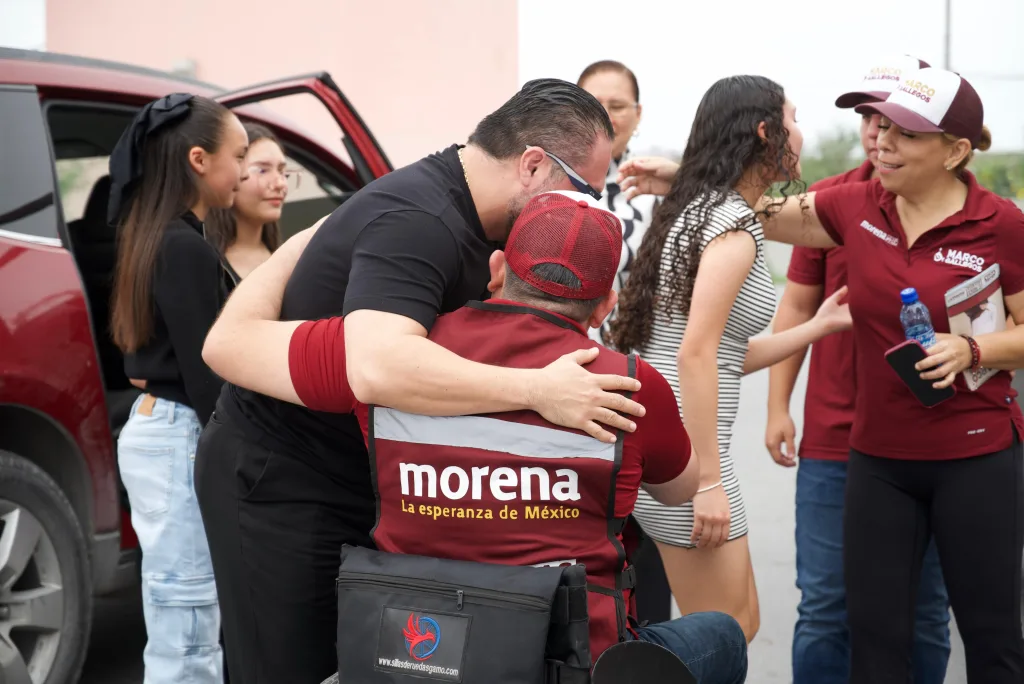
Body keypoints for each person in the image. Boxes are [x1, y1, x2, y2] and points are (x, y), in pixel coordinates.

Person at [194, 79, 649, 684]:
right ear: (534, 165)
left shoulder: (465, 217)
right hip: (281, 479)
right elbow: (378, 367)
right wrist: (537, 391)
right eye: (586, 189)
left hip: (355, 474)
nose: (588, 206)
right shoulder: (421, 220)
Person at [202, 190, 750, 684]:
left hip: (418, 653)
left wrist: (309, 237)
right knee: (723, 636)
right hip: (572, 659)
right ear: (606, 304)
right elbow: (680, 490)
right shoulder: (628, 383)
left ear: (496, 270)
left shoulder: (386, 357)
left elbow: (226, 346)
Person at [675, 66, 1021, 683]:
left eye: (905, 134)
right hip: (878, 463)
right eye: (881, 127)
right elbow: (760, 209)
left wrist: (973, 350)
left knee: (991, 640)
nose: (882, 142)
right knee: (872, 644)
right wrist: (678, 180)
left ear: (955, 152)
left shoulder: (1001, 224)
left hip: (976, 459)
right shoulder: (856, 204)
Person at [607, 75, 851, 643]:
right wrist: (708, 483)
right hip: (687, 462)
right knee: (724, 632)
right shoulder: (733, 227)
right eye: (793, 120)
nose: (800, 133)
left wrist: (817, 327)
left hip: (670, 449)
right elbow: (694, 354)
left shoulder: (700, 210)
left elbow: (719, 355)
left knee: (735, 625)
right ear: (765, 132)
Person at [765, 55, 951, 684]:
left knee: (924, 610)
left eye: (895, 120)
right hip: (835, 440)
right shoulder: (830, 204)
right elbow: (797, 304)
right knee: (826, 606)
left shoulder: (963, 210)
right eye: (870, 117)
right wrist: (777, 406)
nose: (878, 131)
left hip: (932, 441)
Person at [108, 93, 248, 684]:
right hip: (177, 431)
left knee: (180, 611)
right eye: (239, 156)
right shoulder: (182, 245)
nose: (243, 171)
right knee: (187, 620)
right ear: (198, 158)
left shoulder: (153, 235)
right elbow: (206, 370)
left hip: (159, 426)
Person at [576, 58, 673, 625]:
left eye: (618, 106)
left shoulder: (658, 194)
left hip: (639, 386)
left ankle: (648, 648)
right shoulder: (545, 186)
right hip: (563, 381)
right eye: (596, 104)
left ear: (637, 114)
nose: (607, 117)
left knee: (648, 536)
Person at [205, 123, 286, 282]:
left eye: (282, 171)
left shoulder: (287, 258)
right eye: (262, 170)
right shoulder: (204, 260)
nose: (280, 184)